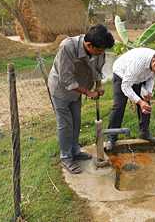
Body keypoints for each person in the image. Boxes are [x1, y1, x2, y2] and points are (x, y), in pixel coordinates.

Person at [48, 24, 114, 174]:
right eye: (99, 51)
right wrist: (88, 93)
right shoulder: (67, 48)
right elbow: (66, 79)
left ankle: (75, 151)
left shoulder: (99, 48)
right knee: (65, 124)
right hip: (61, 90)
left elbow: (98, 70)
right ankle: (66, 157)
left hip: (77, 91)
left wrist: (98, 86)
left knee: (76, 121)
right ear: (89, 44)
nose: (101, 53)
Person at [106, 48, 155, 150]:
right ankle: (112, 137)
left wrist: (148, 91)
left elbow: (151, 77)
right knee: (119, 106)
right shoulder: (137, 64)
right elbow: (126, 86)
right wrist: (139, 101)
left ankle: (144, 132)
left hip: (140, 77)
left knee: (146, 104)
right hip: (122, 74)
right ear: (154, 61)